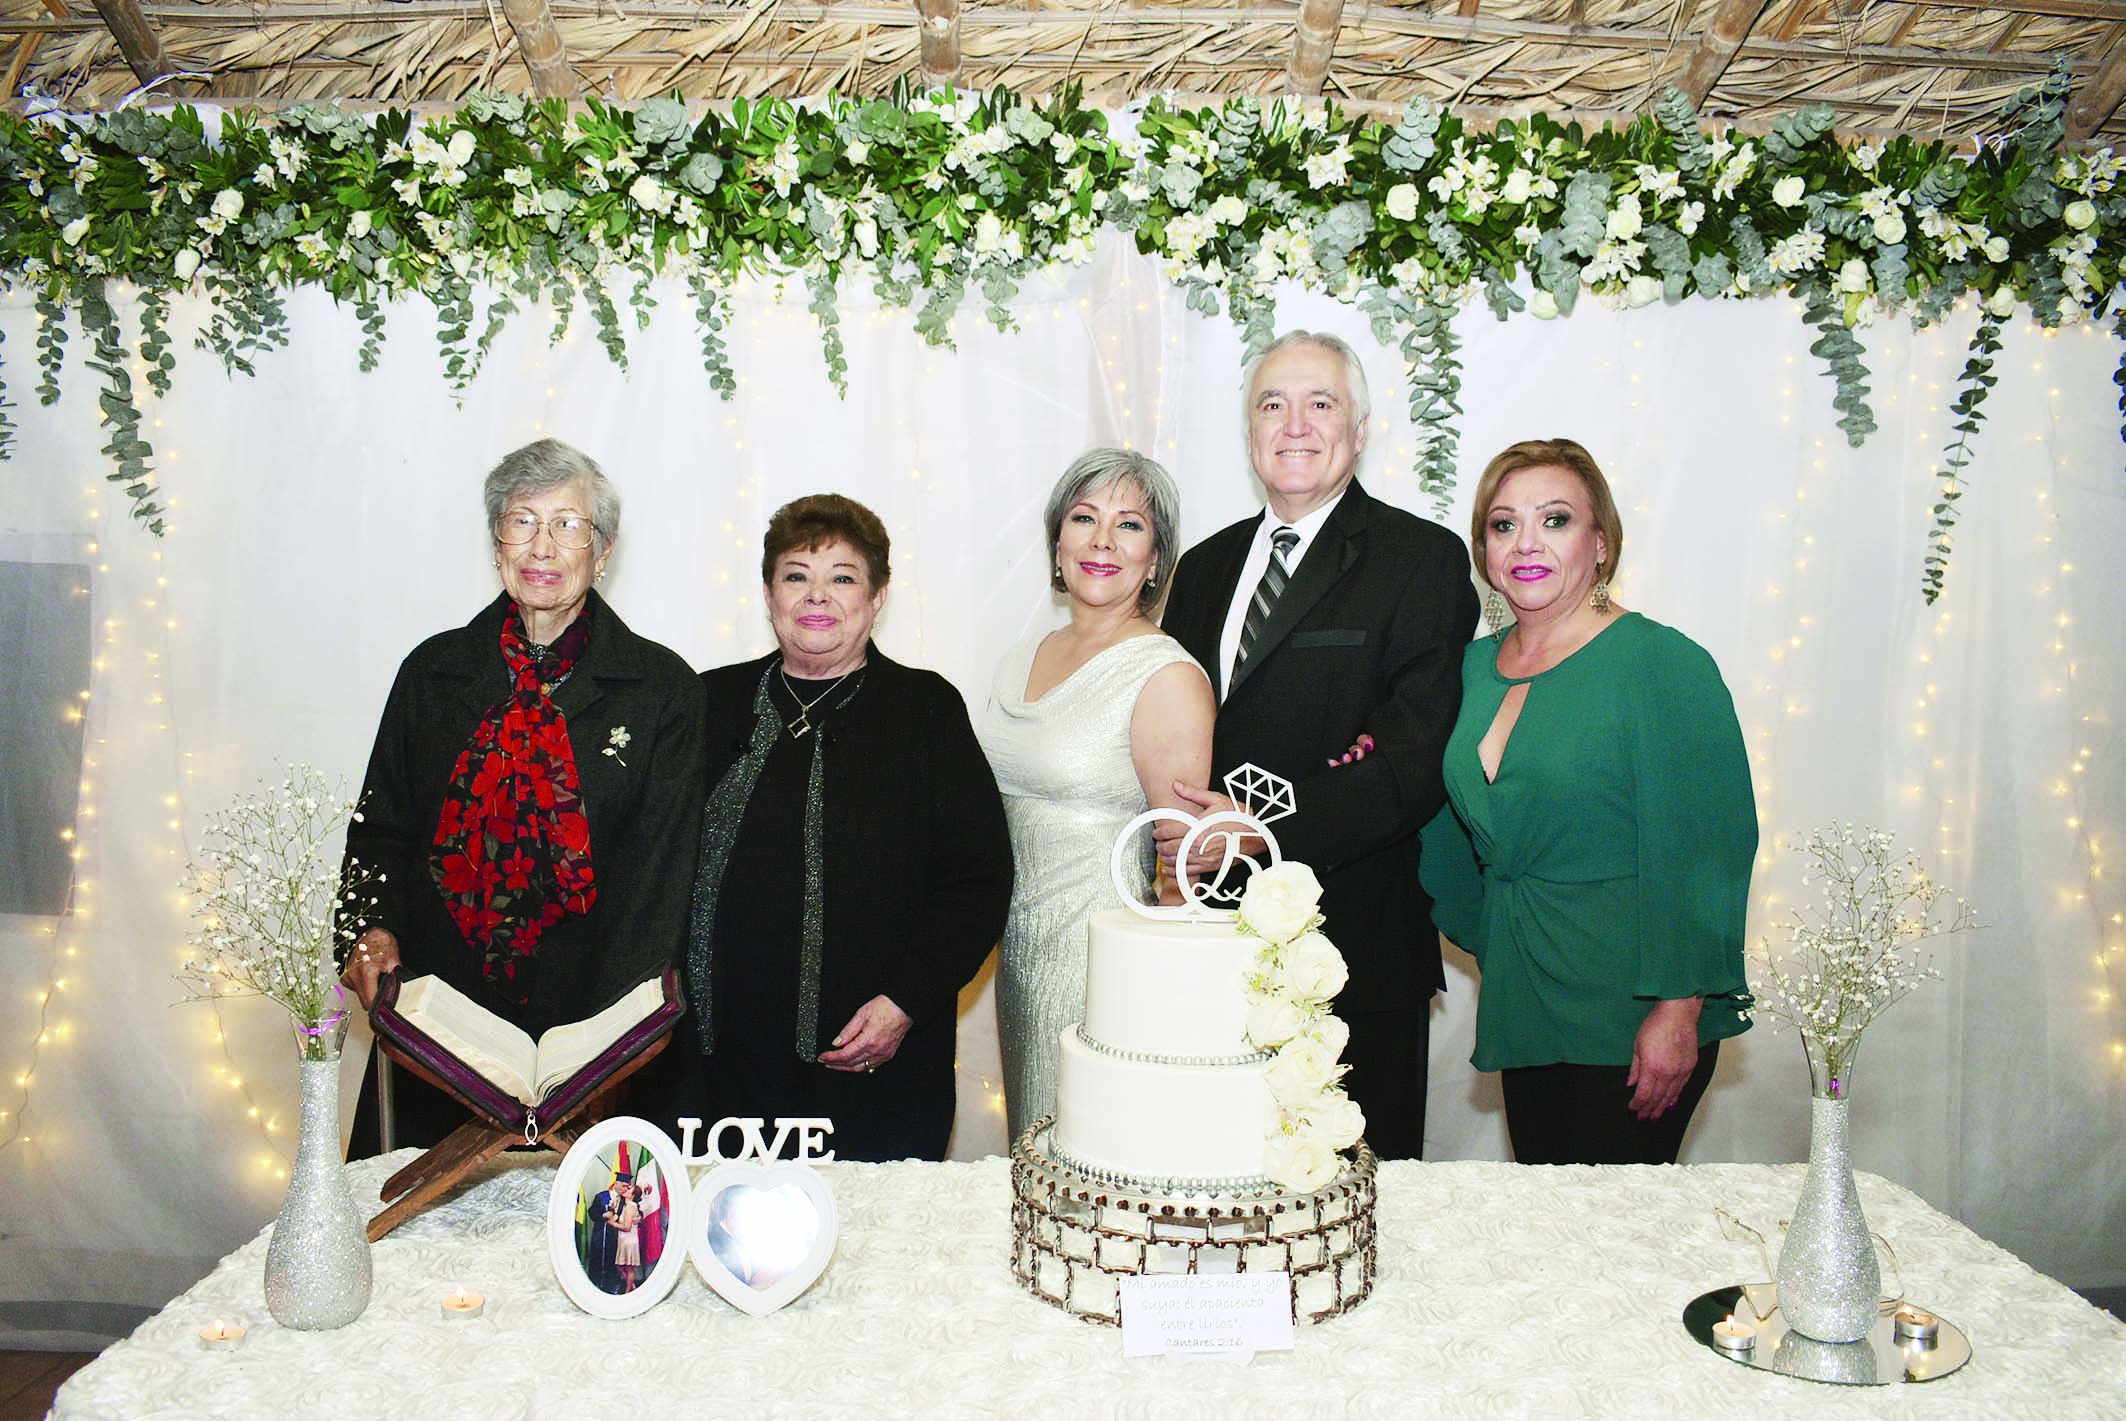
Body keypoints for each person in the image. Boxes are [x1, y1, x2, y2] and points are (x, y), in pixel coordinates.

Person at [336, 438, 709, 1156]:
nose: (543, 545)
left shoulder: (663, 690)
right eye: (522, 521)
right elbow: (380, 828)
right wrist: (370, 929)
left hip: (596, 1045)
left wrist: (606, 1058)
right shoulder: (433, 672)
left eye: (568, 524)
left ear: (602, 551)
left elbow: (659, 887)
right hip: (440, 1037)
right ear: (496, 542)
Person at [1157, 330, 1479, 1162]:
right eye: (1272, 404)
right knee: (1208, 1192)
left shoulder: (1421, 560)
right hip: (1207, 944)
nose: (1294, 424)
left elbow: (1411, 766)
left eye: (1320, 403)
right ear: (1249, 431)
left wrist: (1264, 828)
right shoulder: (1201, 567)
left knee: (1351, 1217)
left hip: (1351, 954)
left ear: (1361, 427)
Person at [642, 494, 1013, 1162]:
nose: (818, 595)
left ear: (877, 598)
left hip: (868, 1070)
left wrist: (906, 1001)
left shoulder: (926, 712)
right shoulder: (705, 701)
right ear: (768, 593)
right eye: (796, 575)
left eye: (842, 576)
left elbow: (977, 881)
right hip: (711, 1074)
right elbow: (650, 861)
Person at [1418, 437, 1755, 1165]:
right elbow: (1445, 819)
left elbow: (1706, 848)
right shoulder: (1471, 668)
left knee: (1618, 1247)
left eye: (1556, 520)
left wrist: (1679, 1008)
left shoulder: (1660, 662)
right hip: (1526, 991)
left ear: (1601, 544)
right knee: (1548, 1236)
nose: (1525, 543)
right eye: (1503, 525)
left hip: (1631, 1005)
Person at [977, 449, 1214, 1142]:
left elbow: (1182, 866)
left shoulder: (1166, 674)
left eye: (1129, 524)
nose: (1103, 540)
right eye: (1084, 517)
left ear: (1156, 559)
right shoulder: (1020, 657)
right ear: (1058, 543)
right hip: (1018, 952)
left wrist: (1163, 1001)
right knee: (1034, 1141)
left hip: (1108, 963)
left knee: (1092, 1155)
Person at [609, 1181, 643, 1292]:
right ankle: (632, 1287)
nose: (625, 1190)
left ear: (632, 1196)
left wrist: (613, 1223)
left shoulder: (630, 1207)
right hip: (625, 1241)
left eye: (629, 1190)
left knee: (629, 1268)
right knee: (622, 1266)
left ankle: (628, 1291)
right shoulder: (629, 1206)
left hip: (628, 1241)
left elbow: (627, 1227)